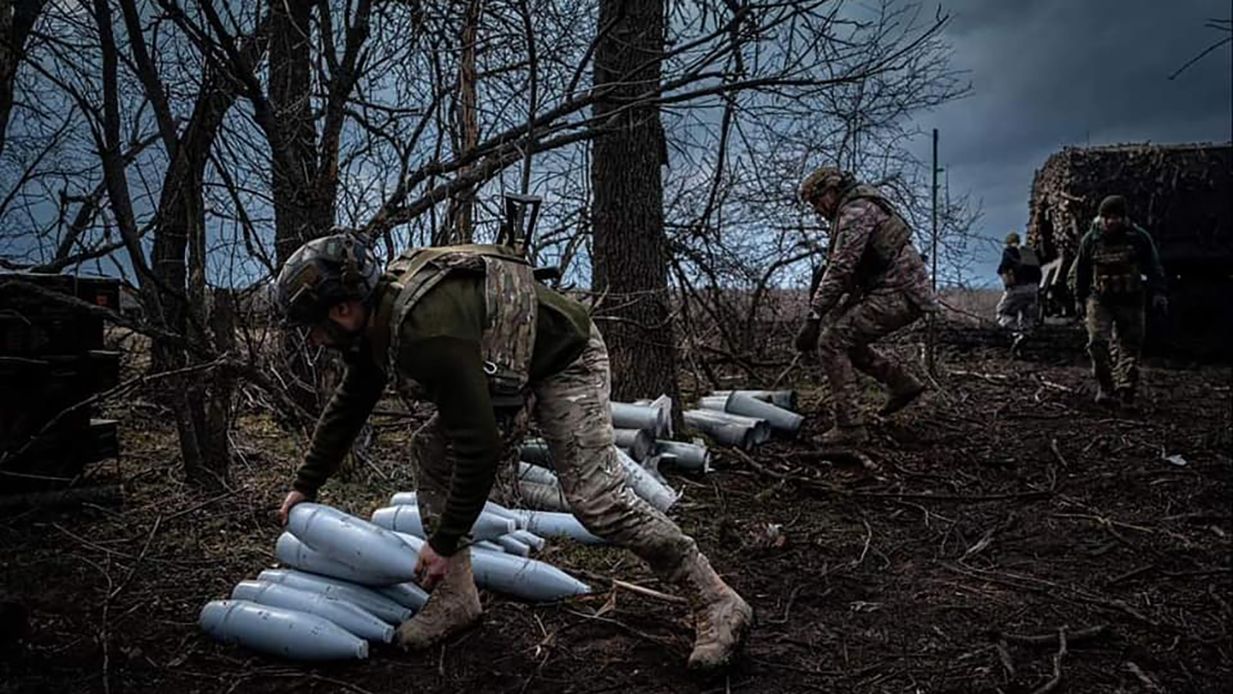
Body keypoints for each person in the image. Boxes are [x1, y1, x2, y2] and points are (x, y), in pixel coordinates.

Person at [273, 232, 752, 670]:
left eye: (312, 327)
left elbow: (479, 446)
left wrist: (442, 543)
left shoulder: (426, 334)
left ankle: (715, 599)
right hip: (509, 370)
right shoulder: (377, 322)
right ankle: (457, 599)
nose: (313, 339)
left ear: (342, 309)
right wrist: (305, 484)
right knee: (431, 451)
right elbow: (352, 401)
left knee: (595, 498)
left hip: (565, 359)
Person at [794, 167, 936, 445]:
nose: (817, 210)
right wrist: (828, 312)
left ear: (831, 191)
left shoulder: (855, 211)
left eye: (817, 201)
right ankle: (901, 383)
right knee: (843, 336)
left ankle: (850, 426)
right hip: (900, 291)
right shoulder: (858, 206)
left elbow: (841, 268)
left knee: (831, 342)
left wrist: (814, 317)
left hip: (899, 293)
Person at [1067, 195, 1167, 408]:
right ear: (1101, 218)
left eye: (1117, 217)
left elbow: (1153, 265)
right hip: (1100, 298)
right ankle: (1106, 386)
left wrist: (1159, 292)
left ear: (1124, 218)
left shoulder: (1138, 237)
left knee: (1130, 346)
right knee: (1097, 343)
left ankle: (1126, 389)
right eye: (1108, 217)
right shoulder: (1091, 239)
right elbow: (1082, 270)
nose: (1112, 221)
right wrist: (1078, 298)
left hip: (1131, 299)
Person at [995, 231, 1042, 355]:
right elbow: (1039, 273)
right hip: (1033, 290)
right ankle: (1024, 339)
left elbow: (1003, 269)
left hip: (1017, 288)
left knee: (1002, 313)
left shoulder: (1009, 252)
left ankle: (1017, 334)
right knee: (1027, 317)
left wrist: (1008, 286)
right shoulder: (1029, 253)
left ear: (1008, 242)